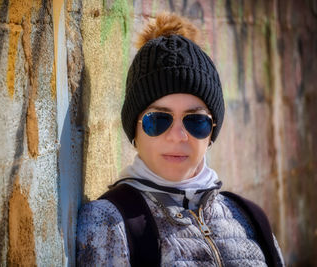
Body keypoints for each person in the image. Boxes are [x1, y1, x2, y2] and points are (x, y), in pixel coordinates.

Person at [76, 12, 284, 266]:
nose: (177, 136)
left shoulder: (249, 217)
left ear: (211, 131)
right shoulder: (108, 223)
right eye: (159, 120)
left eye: (195, 121)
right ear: (135, 130)